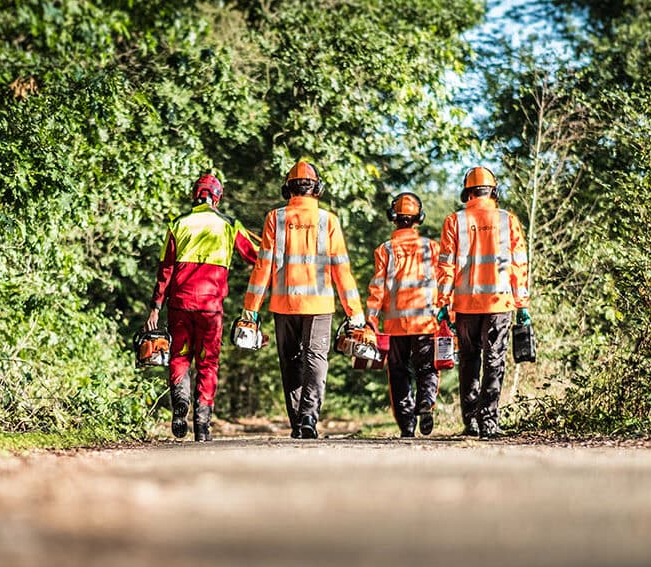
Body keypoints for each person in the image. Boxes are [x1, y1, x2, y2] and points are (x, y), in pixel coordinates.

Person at [241, 161, 364, 439]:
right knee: (316, 357)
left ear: (288, 189)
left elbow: (262, 267)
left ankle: (298, 420)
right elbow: (341, 269)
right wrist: (355, 313)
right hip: (319, 304)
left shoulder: (276, 218)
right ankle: (309, 416)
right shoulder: (328, 220)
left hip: (284, 305)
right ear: (317, 188)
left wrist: (250, 311)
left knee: (290, 360)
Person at [147, 173, 258, 442]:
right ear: (217, 197)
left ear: (194, 196)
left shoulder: (178, 224)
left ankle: (180, 401)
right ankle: (203, 423)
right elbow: (256, 256)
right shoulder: (230, 225)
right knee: (208, 363)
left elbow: (165, 270)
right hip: (211, 308)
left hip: (179, 305)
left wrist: (155, 307)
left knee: (179, 357)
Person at [434, 166, 531, 438]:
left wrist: (442, 303)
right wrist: (522, 304)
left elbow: (446, 268)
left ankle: (471, 420)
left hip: (465, 306)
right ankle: (489, 422)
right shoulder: (507, 220)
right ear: (493, 191)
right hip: (499, 304)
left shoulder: (455, 221)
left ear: (467, 192)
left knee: (469, 361)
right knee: (495, 360)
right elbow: (519, 265)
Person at [365, 192, 453, 437]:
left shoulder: (385, 250)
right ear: (419, 218)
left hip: (395, 326)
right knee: (427, 369)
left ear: (393, 218)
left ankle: (407, 426)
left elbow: (377, 288)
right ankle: (426, 402)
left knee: (399, 373)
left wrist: (371, 319)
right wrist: (448, 313)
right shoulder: (432, 248)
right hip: (426, 322)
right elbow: (444, 281)